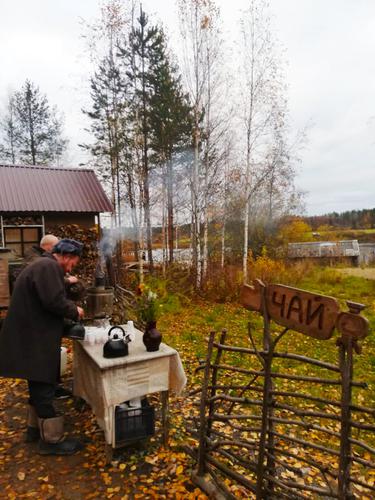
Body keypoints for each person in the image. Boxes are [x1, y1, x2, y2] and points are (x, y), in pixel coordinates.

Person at [0, 238, 85, 456]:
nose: (71, 267)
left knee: (37, 384)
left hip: (29, 334)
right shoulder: (48, 266)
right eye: (73, 262)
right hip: (32, 338)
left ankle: (33, 430)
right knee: (44, 386)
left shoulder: (42, 264)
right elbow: (54, 301)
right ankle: (51, 441)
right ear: (66, 256)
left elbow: (44, 302)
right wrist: (75, 311)